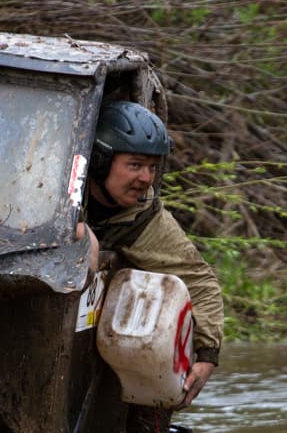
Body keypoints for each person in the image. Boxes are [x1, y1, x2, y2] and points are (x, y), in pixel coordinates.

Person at [83, 100, 224, 409]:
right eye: (134, 165)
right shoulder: (50, 193)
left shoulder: (144, 217)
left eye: (152, 167)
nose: (146, 178)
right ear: (100, 162)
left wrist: (207, 356)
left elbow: (200, 281)